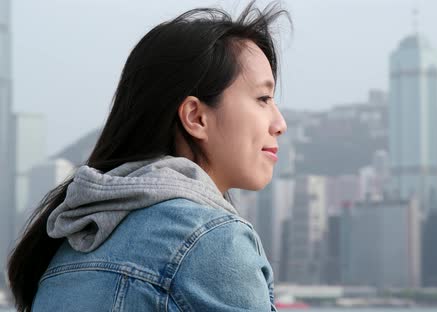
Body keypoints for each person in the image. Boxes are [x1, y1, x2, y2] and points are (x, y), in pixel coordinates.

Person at [7, 2, 289, 311]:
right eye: (263, 98)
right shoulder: (212, 241)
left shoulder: (68, 242)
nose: (280, 124)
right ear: (196, 117)